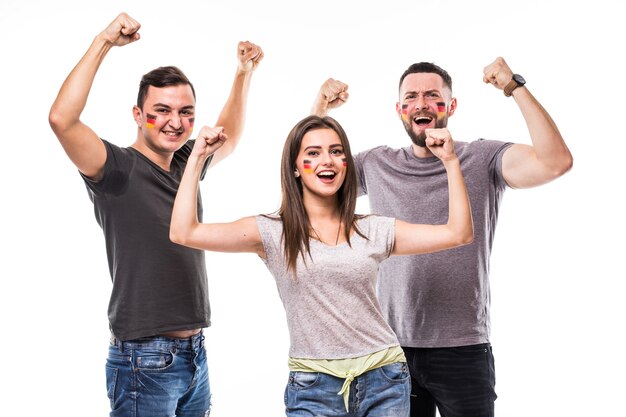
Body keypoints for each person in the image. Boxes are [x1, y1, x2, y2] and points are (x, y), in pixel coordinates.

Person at [312, 57, 573, 417]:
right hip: (390, 351)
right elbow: (309, 186)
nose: (421, 104)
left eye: (432, 96)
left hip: (463, 348)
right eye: (411, 97)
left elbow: (555, 161)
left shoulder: (482, 157)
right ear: (400, 110)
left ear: (450, 107)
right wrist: (320, 111)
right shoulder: (376, 163)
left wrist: (514, 86)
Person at [169, 114, 473, 416]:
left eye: (336, 151)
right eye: (313, 153)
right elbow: (184, 232)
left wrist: (449, 160)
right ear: (296, 168)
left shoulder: (374, 230)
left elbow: (458, 233)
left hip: (383, 377)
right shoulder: (274, 232)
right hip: (312, 385)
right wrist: (196, 157)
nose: (327, 160)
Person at [48, 12, 263, 417]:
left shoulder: (187, 164)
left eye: (186, 112)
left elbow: (228, 136)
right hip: (143, 359)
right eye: (161, 110)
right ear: (137, 114)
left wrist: (242, 73)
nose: (175, 122)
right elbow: (61, 119)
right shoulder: (115, 168)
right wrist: (104, 42)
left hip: (195, 353)